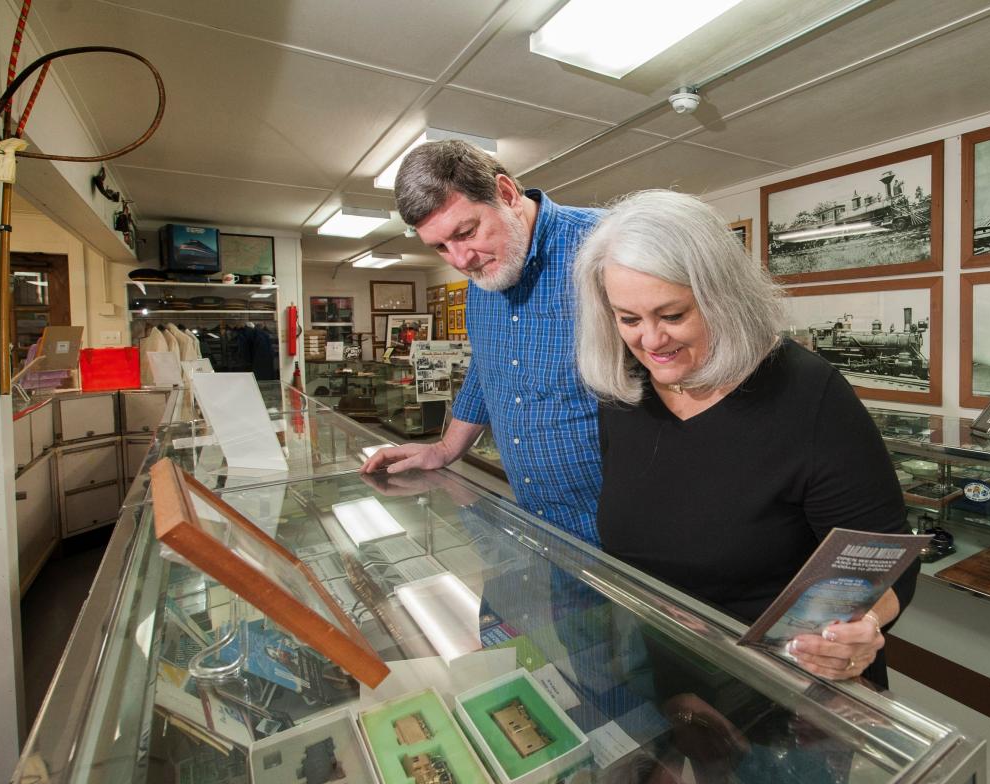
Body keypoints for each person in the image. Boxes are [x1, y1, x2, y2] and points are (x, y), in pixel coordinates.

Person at [574, 190, 917, 686]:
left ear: (725, 298)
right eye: (629, 319)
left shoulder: (808, 395)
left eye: (672, 315)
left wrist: (859, 628)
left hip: (784, 683)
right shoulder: (625, 391)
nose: (650, 341)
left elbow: (884, 562)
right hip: (666, 669)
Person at [360, 140, 604, 544]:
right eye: (440, 246)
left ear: (507, 194)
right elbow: (487, 365)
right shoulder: (483, 274)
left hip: (627, 532)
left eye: (466, 232)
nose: (460, 260)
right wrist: (445, 448)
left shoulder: (606, 246)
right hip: (539, 520)